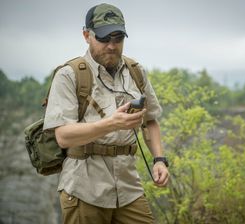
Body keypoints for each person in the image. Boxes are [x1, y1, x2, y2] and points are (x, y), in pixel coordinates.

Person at [43, 3, 169, 224]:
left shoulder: (136, 72)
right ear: (86, 35)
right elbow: (63, 136)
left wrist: (159, 160)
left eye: (118, 38)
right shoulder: (69, 75)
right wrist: (112, 123)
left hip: (129, 189)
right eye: (103, 38)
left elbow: (150, 121)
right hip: (84, 190)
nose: (112, 46)